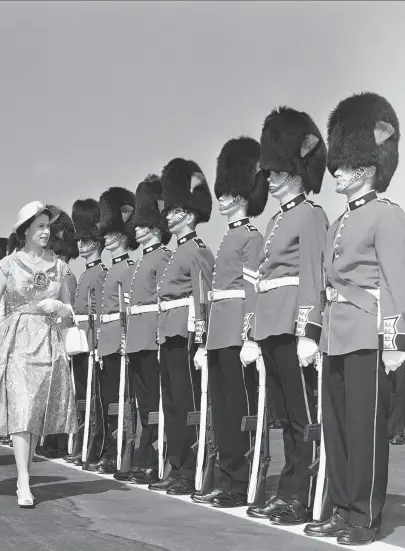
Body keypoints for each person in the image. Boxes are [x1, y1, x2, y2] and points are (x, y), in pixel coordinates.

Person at [305, 92, 405, 545]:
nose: (336, 173)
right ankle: (342, 507)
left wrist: (395, 340)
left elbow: (398, 285)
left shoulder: (388, 217)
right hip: (337, 334)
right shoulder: (337, 223)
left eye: (344, 165)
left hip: (369, 334)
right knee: (338, 430)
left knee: (364, 433)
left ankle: (364, 516)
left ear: (367, 166)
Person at [240, 107, 328, 525]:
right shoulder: (276, 219)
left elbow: (312, 274)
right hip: (271, 326)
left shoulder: (310, 215)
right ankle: (288, 488)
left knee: (300, 417)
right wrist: (253, 333)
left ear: (296, 171)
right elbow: (261, 281)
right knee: (283, 416)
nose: (269, 180)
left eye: (277, 173)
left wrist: (309, 329)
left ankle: (300, 493)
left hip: (293, 325)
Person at [0, 201, 78, 508]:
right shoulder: (6, 265)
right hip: (15, 341)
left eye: (48, 226)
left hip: (47, 343)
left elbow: (70, 314)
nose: (46, 232)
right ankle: (23, 479)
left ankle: (25, 470)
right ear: (26, 231)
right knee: (21, 408)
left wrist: (61, 308)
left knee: (34, 413)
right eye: (40, 226)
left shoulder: (60, 267)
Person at [193, 137, 267, 507]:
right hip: (219, 335)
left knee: (240, 412)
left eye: (228, 194)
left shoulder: (252, 237)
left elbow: (253, 289)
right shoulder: (226, 238)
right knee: (222, 413)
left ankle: (240, 483)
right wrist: (204, 341)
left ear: (242, 196)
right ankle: (226, 478)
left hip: (237, 331)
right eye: (221, 194)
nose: (221, 200)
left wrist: (250, 334)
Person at [151, 158, 213, 496]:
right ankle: (175, 465)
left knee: (188, 406)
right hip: (169, 332)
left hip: (187, 333)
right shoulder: (177, 251)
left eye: (174, 210)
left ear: (188, 214)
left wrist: (201, 340)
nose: (168, 215)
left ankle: (189, 470)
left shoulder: (197, 250)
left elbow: (203, 295)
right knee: (173, 404)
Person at [123, 175, 172, 484]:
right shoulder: (142, 261)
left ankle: (152, 455)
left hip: (153, 337)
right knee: (143, 403)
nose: (136, 229)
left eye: (142, 225)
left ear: (155, 227)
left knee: (154, 402)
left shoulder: (163, 257)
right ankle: (145, 454)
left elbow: (165, 300)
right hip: (138, 339)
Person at [93, 186, 138, 475]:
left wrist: (125, 338)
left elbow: (127, 309)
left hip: (120, 342)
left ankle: (120, 451)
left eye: (111, 234)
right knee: (108, 402)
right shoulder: (111, 271)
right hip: (106, 343)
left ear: (122, 235)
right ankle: (110, 451)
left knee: (121, 403)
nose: (106, 239)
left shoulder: (129, 268)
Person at [64, 198, 107, 466]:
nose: (80, 244)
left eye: (86, 239)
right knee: (81, 397)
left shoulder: (101, 272)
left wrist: (99, 344)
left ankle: (95, 445)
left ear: (97, 241)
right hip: (80, 341)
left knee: (95, 398)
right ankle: (82, 444)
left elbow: (102, 312)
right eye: (79, 239)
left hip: (92, 342)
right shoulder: (84, 274)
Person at [36, 206, 79, 460]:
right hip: (47, 338)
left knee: (60, 393)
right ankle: (50, 438)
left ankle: (58, 441)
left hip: (60, 339)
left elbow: (67, 312)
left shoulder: (66, 275)